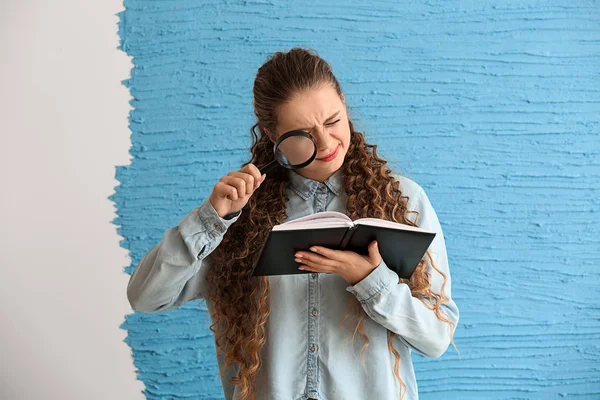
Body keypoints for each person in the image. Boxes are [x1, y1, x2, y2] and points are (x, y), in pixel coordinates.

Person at [127, 47, 459, 400]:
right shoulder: (241, 213)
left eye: (333, 121)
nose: (327, 142)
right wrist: (211, 219)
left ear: (345, 104)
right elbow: (146, 297)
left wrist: (371, 281)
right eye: (303, 133)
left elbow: (437, 338)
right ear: (273, 135)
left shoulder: (404, 200)